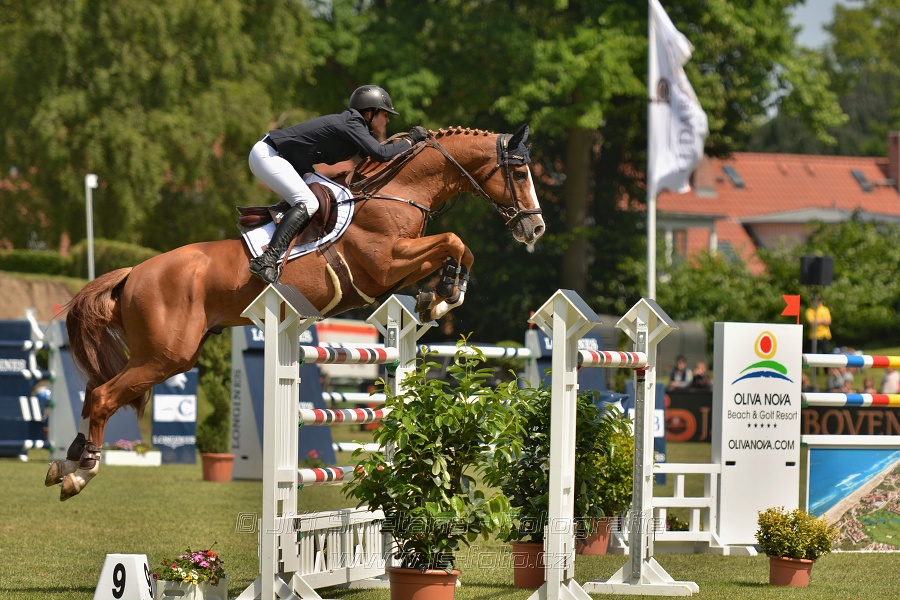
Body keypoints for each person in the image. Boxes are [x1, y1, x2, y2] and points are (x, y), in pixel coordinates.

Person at [247, 84, 429, 284]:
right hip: (269, 154)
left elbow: (378, 161)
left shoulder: (356, 129)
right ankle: (266, 259)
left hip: (288, 162)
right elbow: (381, 153)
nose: (387, 120)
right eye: (385, 114)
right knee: (308, 203)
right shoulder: (352, 123)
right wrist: (410, 141)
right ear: (369, 113)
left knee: (333, 193)